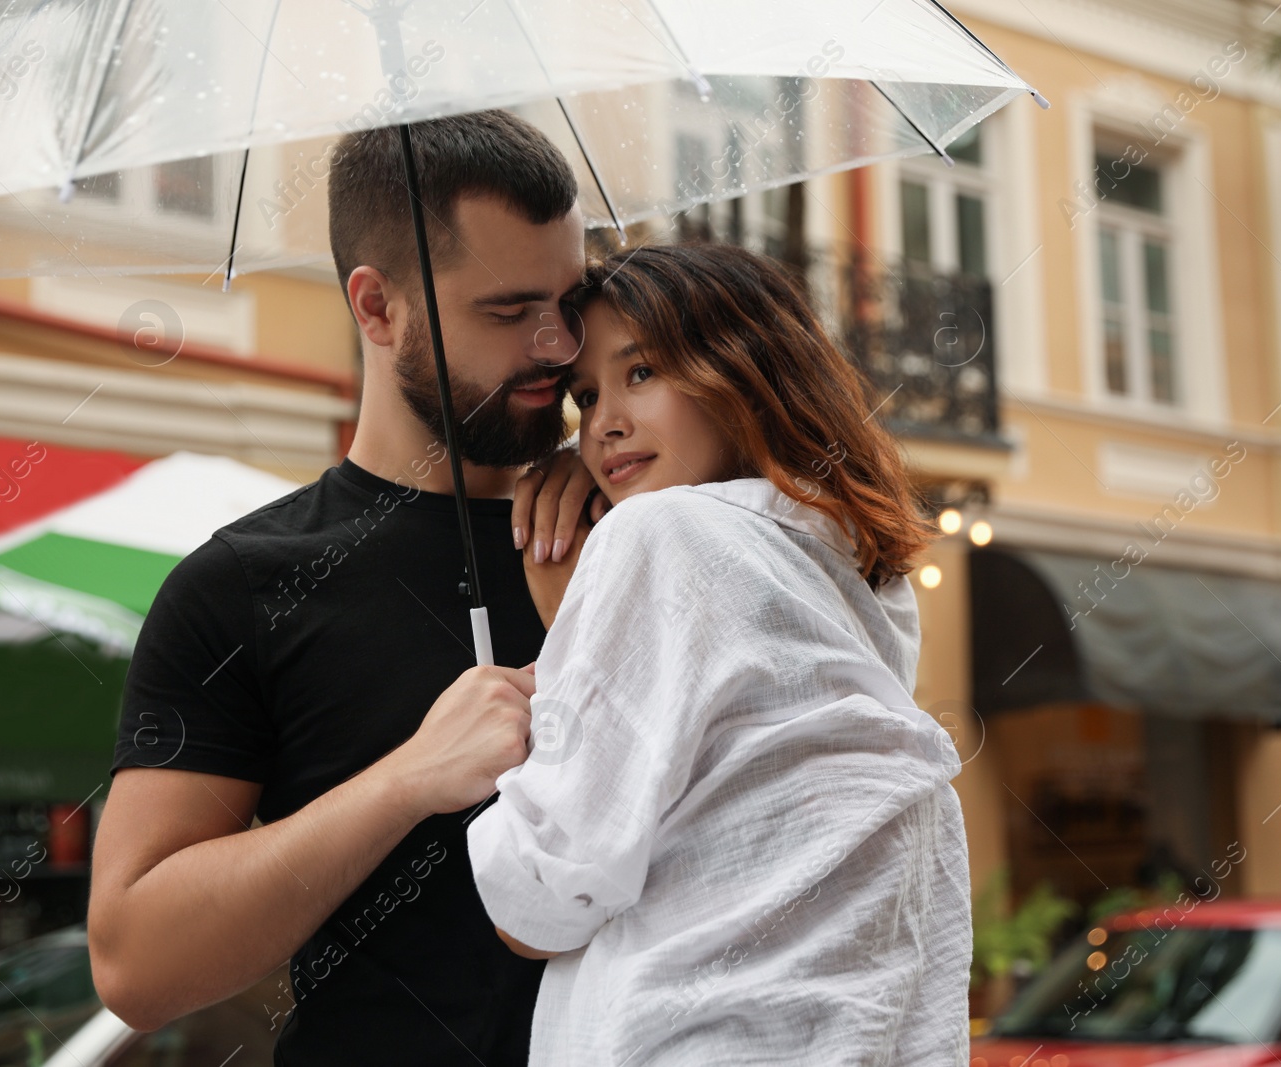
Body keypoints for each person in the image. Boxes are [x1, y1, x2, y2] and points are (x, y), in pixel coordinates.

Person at [88, 111, 600, 1066]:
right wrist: (406, 781)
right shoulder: (242, 586)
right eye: (507, 311)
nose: (558, 344)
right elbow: (134, 963)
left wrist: (640, 492)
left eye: (573, 302)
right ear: (376, 308)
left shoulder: (646, 531)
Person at [467, 243, 974, 1065]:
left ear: (743, 372)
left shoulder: (655, 533)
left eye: (642, 373)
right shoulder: (871, 589)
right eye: (585, 396)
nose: (603, 426)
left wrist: (567, 632)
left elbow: (534, 906)